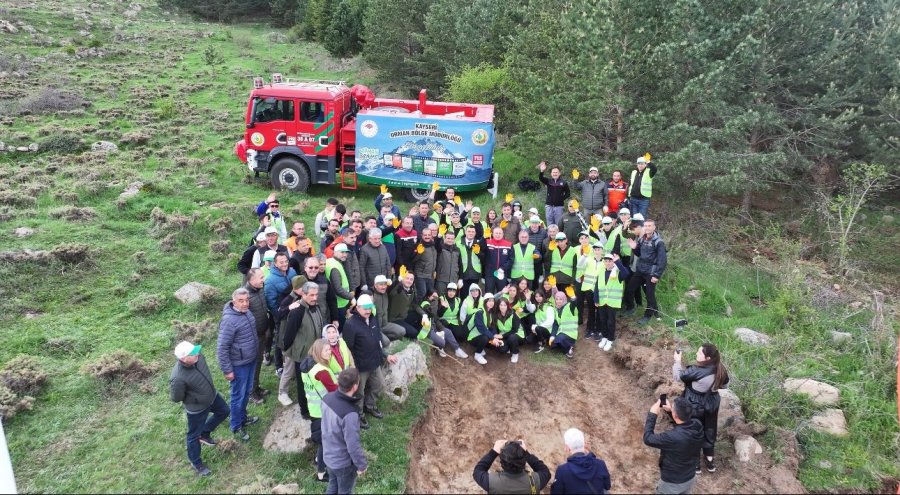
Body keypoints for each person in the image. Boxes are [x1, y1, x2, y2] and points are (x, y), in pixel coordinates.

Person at [169, 341, 229, 477]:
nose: (197, 353)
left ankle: (205, 432)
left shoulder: (199, 357)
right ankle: (196, 462)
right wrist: (194, 399)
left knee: (224, 411)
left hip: (212, 397)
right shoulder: (177, 377)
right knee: (192, 436)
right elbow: (176, 397)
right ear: (183, 359)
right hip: (197, 408)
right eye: (193, 353)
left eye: (196, 350)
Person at [341, 294, 398, 429]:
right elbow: (347, 348)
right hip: (360, 366)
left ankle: (370, 406)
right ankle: (359, 415)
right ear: (358, 307)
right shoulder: (350, 324)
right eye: (365, 308)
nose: (368, 311)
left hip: (374, 361)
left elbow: (377, 340)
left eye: (370, 308)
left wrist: (385, 355)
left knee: (379, 385)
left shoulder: (373, 319)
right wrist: (352, 367)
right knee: (359, 392)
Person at [673, 344, 729, 474]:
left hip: (694, 404)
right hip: (712, 403)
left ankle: (696, 464)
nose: (696, 353)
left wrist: (677, 361)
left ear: (707, 357)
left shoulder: (696, 370)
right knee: (710, 428)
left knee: (693, 430)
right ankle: (710, 461)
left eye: (699, 352)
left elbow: (678, 377)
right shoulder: (721, 368)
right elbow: (725, 386)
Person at [216, 288, 260, 441]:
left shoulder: (247, 313)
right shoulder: (228, 321)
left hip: (250, 360)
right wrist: (227, 370)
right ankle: (236, 426)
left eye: (247, 300)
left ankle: (243, 417)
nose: (245, 303)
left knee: (246, 392)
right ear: (234, 301)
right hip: (238, 365)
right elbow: (222, 348)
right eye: (241, 301)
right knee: (238, 396)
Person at [643, 397, 704, 494]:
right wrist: (671, 411)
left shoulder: (672, 437)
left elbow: (648, 439)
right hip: (690, 476)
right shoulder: (698, 425)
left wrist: (652, 414)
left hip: (672, 483)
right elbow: (684, 422)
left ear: (675, 415)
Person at [281, 282, 325, 418]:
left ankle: (316, 403)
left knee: (315, 380)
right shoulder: (297, 311)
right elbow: (289, 334)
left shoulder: (315, 306)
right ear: (303, 294)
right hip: (302, 355)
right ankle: (305, 410)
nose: (314, 297)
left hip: (315, 353)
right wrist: (288, 351)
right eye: (311, 295)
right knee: (303, 384)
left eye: (316, 294)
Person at [322, 368, 367, 494]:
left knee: (332, 486)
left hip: (328, 455)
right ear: (355, 386)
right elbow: (353, 445)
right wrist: (361, 465)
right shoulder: (350, 413)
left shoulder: (326, 398)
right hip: (343, 463)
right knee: (345, 491)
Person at [299, 339, 339, 483]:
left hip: (314, 409)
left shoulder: (308, 366)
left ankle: (317, 459)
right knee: (325, 444)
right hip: (324, 411)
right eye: (327, 350)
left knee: (323, 441)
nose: (330, 352)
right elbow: (334, 391)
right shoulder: (321, 371)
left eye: (330, 349)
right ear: (318, 352)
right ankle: (321, 474)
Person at [623, 219, 667, 324]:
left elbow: (663, 260)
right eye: (646, 226)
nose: (647, 228)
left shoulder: (658, 242)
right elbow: (639, 254)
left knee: (649, 295)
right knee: (629, 288)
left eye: (650, 226)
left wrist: (657, 275)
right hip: (640, 270)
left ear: (654, 227)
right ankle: (630, 308)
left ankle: (647, 316)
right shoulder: (642, 239)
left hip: (651, 272)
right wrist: (634, 248)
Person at [473, 439, 551, 494]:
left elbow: (478, 471)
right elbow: (544, 471)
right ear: (524, 461)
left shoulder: (491, 482)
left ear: (502, 462)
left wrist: (494, 451)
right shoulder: (535, 481)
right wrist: (526, 453)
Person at [551, 428, 612, 494]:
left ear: (567, 448)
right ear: (584, 444)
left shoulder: (562, 470)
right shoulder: (600, 464)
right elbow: (607, 486)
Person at [242, 268, 270, 404]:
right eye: (261, 277)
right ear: (251, 280)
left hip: (262, 333)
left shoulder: (259, 290)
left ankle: (256, 387)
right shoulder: (245, 296)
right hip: (253, 338)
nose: (263, 280)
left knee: (258, 363)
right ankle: (251, 393)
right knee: (253, 364)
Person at [595, 253, 630, 352]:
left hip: (612, 302)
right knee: (602, 320)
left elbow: (626, 273)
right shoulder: (601, 272)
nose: (607, 263)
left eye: (610, 261)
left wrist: (618, 262)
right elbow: (596, 287)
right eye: (606, 261)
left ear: (613, 262)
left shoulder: (618, 273)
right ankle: (604, 337)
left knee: (611, 322)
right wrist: (596, 299)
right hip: (602, 301)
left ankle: (610, 339)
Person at [325, 243, 354, 329]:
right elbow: (338, 289)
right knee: (340, 329)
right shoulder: (335, 267)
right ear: (335, 252)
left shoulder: (331, 261)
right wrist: (351, 297)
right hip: (339, 305)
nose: (345, 255)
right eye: (342, 252)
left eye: (346, 252)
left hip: (338, 303)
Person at [466, 292, 496, 365]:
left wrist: (495, 335)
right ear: (485, 302)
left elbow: (492, 326)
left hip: (481, 335)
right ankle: (477, 354)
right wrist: (492, 337)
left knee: (493, 341)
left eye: (492, 301)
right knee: (485, 337)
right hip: (473, 337)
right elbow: (481, 329)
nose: (491, 303)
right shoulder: (480, 312)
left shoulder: (490, 313)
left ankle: (481, 347)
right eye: (489, 301)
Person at [538, 161, 571, 227]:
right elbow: (541, 178)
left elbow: (568, 193)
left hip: (559, 207)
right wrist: (541, 171)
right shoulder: (548, 181)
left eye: (556, 172)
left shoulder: (563, 183)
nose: (555, 173)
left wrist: (561, 199)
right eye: (553, 172)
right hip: (549, 206)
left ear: (559, 173)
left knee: (558, 224)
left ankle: (558, 237)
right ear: (551, 174)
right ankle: (550, 236)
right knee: (549, 223)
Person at [549, 290, 578, 359]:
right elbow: (555, 325)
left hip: (571, 334)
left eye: (561, 299)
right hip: (561, 333)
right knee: (552, 345)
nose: (558, 301)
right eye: (557, 299)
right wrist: (552, 335)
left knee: (559, 340)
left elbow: (574, 304)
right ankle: (564, 345)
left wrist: (573, 298)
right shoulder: (556, 310)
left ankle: (570, 348)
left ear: (564, 299)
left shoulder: (569, 307)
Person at [458, 225, 485, 297]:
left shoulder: (479, 243)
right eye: (469, 231)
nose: (471, 233)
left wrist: (478, 253)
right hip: (463, 274)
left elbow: (484, 258)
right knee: (463, 297)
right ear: (465, 232)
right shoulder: (458, 243)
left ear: (475, 233)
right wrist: (459, 277)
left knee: (475, 297)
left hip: (475, 275)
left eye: (473, 232)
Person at [484, 227, 513, 294]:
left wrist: (502, 269)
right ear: (492, 234)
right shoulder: (487, 242)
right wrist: (484, 237)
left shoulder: (509, 244)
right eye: (496, 233)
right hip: (490, 274)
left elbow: (511, 260)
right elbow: (480, 250)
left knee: (502, 294)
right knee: (489, 294)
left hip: (502, 273)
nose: (498, 235)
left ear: (503, 234)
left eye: (500, 233)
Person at [492, 296, 521, 363]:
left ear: (507, 306)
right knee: (502, 349)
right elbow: (495, 327)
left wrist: (502, 336)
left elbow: (515, 330)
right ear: (498, 306)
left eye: (504, 305)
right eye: (501, 305)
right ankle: (509, 347)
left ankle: (515, 353)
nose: (502, 307)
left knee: (512, 337)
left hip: (516, 335)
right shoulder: (496, 315)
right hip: (504, 335)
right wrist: (496, 336)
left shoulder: (513, 314)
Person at [412, 228, 438, 297]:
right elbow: (413, 260)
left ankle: (425, 307)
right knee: (422, 293)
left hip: (430, 276)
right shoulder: (419, 245)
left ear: (431, 235)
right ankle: (417, 307)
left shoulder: (433, 245)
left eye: (429, 235)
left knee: (429, 295)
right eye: (425, 235)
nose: (427, 236)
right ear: (422, 236)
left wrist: (434, 270)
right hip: (421, 275)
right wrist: (418, 253)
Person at [435, 229, 461, 294]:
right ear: (445, 238)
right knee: (441, 298)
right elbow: (436, 245)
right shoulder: (441, 248)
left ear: (454, 239)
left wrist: (460, 278)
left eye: (452, 238)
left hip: (453, 280)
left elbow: (460, 264)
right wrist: (439, 237)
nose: (450, 240)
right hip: (441, 279)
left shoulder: (457, 250)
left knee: (452, 299)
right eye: (448, 238)